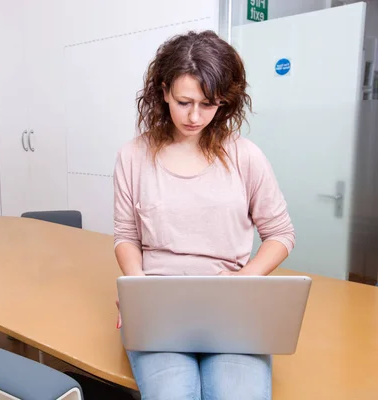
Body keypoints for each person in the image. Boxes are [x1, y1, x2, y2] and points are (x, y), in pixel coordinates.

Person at [113, 30, 295, 400]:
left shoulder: (246, 156)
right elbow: (126, 236)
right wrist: (137, 291)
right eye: (184, 101)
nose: (195, 116)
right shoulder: (132, 156)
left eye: (209, 104)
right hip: (159, 307)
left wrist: (243, 282)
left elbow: (280, 235)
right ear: (163, 91)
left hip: (232, 308)